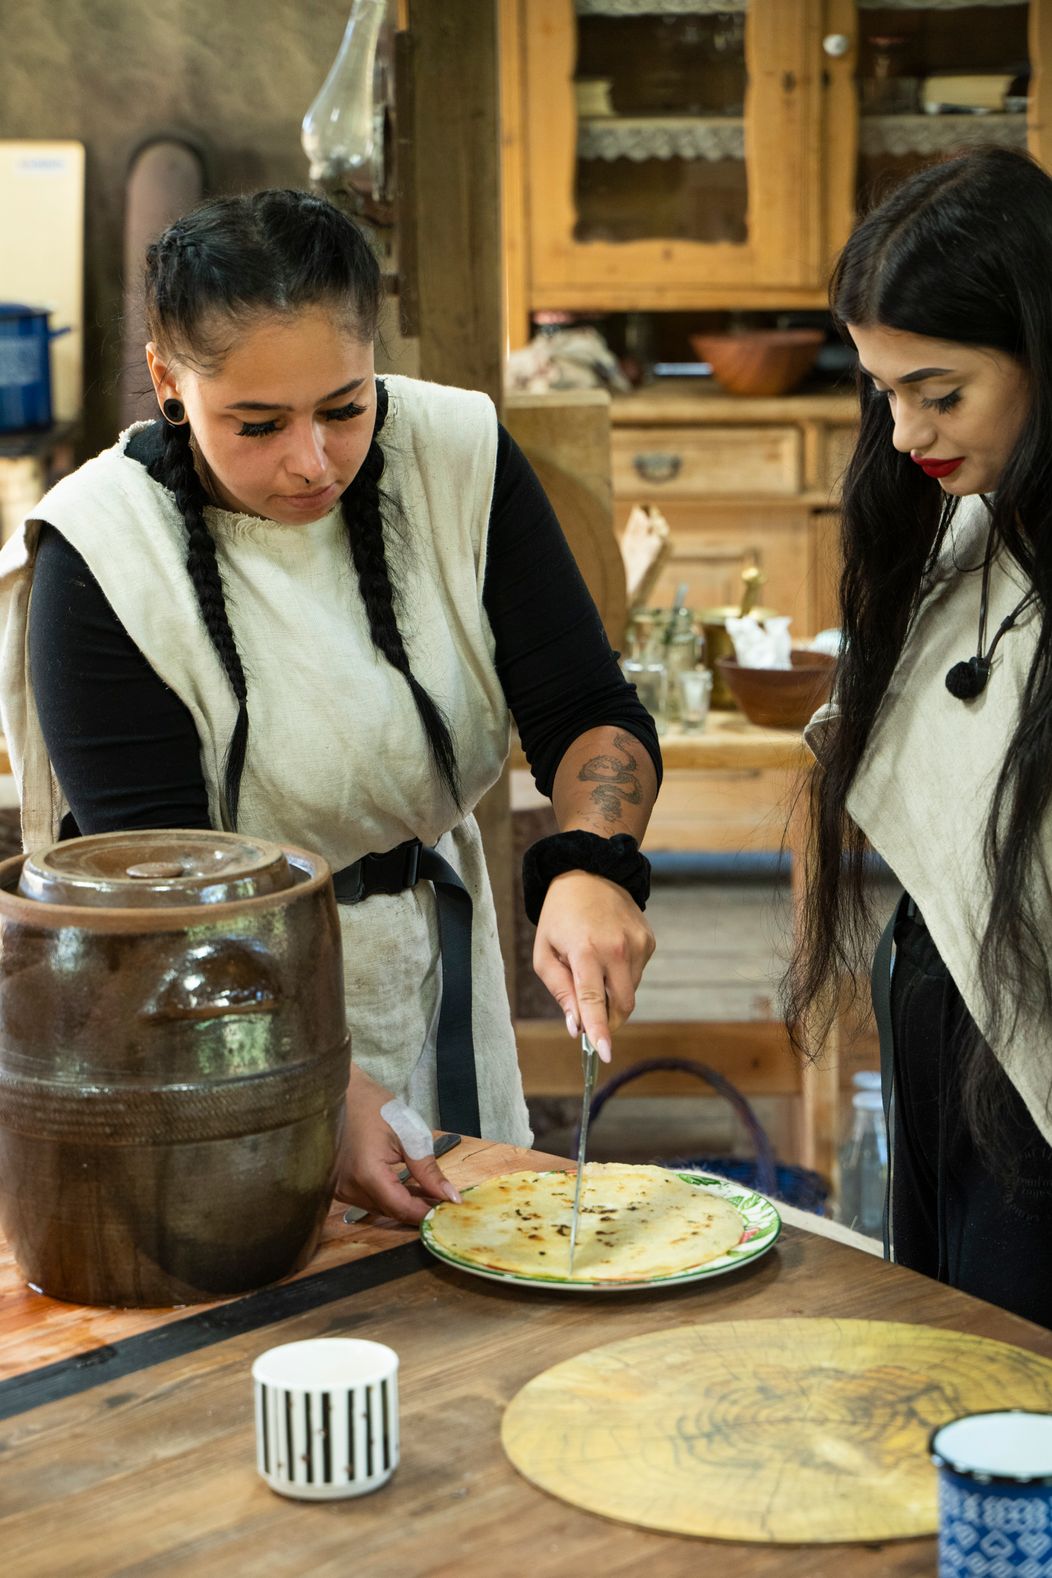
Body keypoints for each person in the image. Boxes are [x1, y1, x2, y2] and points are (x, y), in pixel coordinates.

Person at [0, 189, 661, 1225]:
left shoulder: (457, 455)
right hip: (203, 1022)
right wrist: (322, 1088)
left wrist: (591, 866)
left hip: (431, 968)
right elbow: (154, 893)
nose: (311, 462)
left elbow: (584, 706)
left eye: (345, 409)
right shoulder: (100, 553)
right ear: (169, 380)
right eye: (256, 425)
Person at [786, 146, 1052, 1327]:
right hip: (944, 1000)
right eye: (883, 391)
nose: (902, 436)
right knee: (943, 1343)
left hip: (1028, 1042)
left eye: (939, 394)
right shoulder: (971, 527)